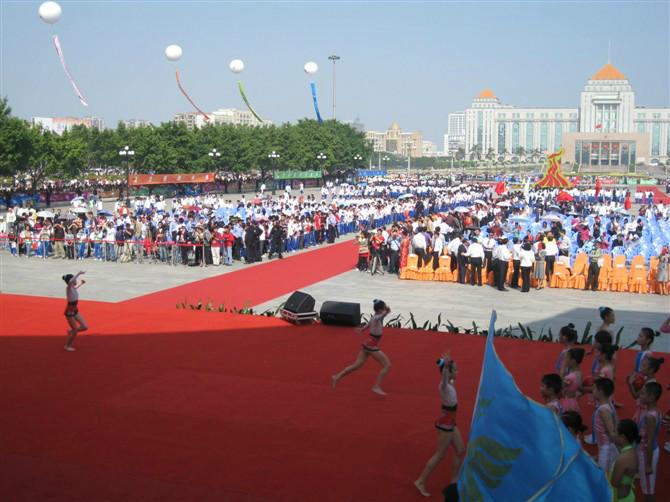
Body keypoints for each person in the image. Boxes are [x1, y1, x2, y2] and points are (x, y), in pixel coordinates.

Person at [414, 353, 464, 498]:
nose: (458, 372)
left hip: (450, 421)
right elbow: (443, 378)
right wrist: (446, 368)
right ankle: (420, 481)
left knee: (460, 449)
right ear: (448, 373)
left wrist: (447, 365)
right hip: (446, 424)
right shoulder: (444, 386)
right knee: (440, 454)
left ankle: (454, 480)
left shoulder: (449, 384)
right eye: (456, 370)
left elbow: (446, 377)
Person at [332, 299, 392, 396]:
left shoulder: (374, 318)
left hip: (367, 344)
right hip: (372, 346)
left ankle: (337, 376)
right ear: (381, 309)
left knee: (357, 365)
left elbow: (366, 326)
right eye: (383, 308)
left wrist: (361, 330)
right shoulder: (377, 318)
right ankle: (376, 386)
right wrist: (385, 308)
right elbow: (387, 312)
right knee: (387, 365)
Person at [637, 382, 662, 501]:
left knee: (648, 490)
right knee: (647, 486)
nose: (639, 395)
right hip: (647, 451)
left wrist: (648, 464)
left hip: (647, 453)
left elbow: (650, 441)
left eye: (642, 393)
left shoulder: (650, 417)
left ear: (651, 397)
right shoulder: (655, 411)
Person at [591, 378, 618, 473]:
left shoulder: (603, 410)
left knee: (604, 476)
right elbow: (616, 423)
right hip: (605, 446)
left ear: (601, 392)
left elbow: (612, 431)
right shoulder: (609, 405)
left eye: (594, 389)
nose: (592, 391)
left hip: (606, 447)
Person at [610, 419, 640, 502]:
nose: (613, 435)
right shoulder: (632, 452)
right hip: (627, 495)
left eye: (615, 432)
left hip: (621, 499)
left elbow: (614, 482)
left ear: (623, 437)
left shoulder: (623, 458)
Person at [63, 271, 88, 352]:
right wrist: (79, 273)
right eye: (74, 279)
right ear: (71, 280)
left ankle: (70, 331)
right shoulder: (68, 288)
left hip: (75, 310)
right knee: (75, 330)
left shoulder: (72, 288)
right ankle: (67, 346)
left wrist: (81, 284)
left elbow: (75, 288)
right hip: (69, 312)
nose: (75, 280)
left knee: (85, 326)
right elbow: (70, 282)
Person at [560, 347, 585, 413]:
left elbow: (560, 385)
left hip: (567, 403)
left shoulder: (571, 377)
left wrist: (563, 365)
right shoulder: (579, 373)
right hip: (573, 402)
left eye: (567, 358)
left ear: (573, 361)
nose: (565, 360)